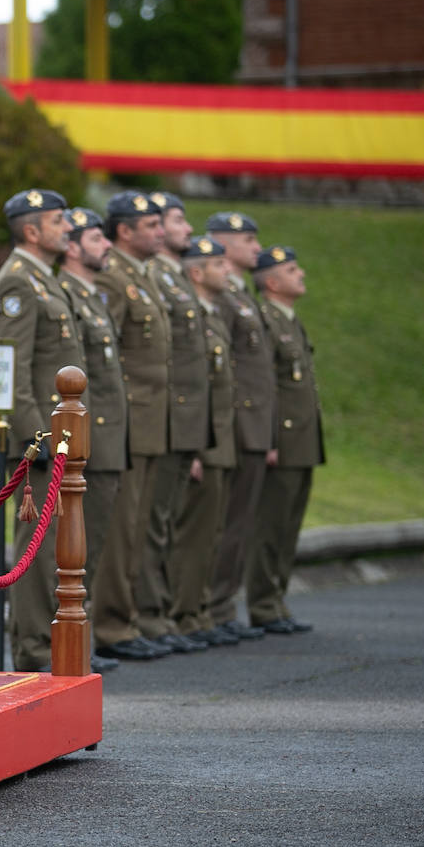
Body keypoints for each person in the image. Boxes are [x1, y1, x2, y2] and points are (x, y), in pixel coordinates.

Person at [0, 189, 92, 673]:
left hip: (60, 441)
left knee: (57, 549)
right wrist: (38, 441)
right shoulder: (19, 282)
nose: (67, 228)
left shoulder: (44, 281)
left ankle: (51, 646)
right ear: (32, 231)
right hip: (42, 445)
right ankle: (32, 652)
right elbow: (8, 370)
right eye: (57, 221)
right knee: (38, 551)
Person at [89, 191, 173, 662]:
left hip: (148, 420)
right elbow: (108, 357)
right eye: (151, 225)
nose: (160, 232)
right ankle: (112, 624)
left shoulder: (142, 276)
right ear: (125, 230)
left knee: (140, 526)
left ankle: (129, 619)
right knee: (121, 529)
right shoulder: (115, 279)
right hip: (127, 420)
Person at [138, 192, 208, 655]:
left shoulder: (172, 277)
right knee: (147, 523)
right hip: (154, 419)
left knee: (161, 521)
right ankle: (147, 615)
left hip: (176, 420)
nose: (176, 229)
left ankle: (159, 612)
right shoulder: (152, 276)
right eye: (171, 220)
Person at [246, 246, 321, 634]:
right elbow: (266, 387)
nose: (302, 273)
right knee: (271, 526)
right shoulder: (268, 320)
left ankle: (276, 599)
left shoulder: (289, 320)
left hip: (303, 441)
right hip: (284, 439)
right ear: (272, 282)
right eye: (293, 269)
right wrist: (271, 437)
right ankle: (262, 603)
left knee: (288, 526)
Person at [169, 236, 239, 646]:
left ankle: (195, 612)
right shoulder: (192, 314)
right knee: (188, 533)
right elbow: (186, 386)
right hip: (198, 439)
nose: (226, 269)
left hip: (215, 438)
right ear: (196, 272)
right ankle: (180, 613)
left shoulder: (209, 314)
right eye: (218, 264)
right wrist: (192, 445)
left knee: (208, 532)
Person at [203, 211, 270, 641]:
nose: (257, 248)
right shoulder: (223, 296)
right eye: (248, 238)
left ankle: (222, 607)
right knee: (219, 524)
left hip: (246, 424)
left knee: (236, 523)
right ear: (224, 245)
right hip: (230, 425)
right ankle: (211, 608)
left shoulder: (240, 294)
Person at [58, 208, 126, 618]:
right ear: (73, 246)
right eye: (97, 238)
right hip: (83, 432)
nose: (107, 245)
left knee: (96, 539)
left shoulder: (91, 295)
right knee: (75, 542)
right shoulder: (66, 290)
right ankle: (64, 633)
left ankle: (84, 629)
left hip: (102, 431)